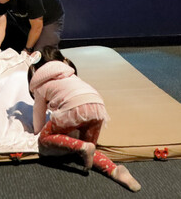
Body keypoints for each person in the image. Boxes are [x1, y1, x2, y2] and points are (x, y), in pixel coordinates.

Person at [28, 46, 141, 193]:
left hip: (73, 108)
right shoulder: (70, 74)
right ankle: (114, 170)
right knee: (89, 150)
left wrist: (38, 130)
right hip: (97, 106)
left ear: (36, 68)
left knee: (44, 138)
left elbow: (38, 116)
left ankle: (83, 147)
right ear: (62, 61)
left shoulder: (39, 84)